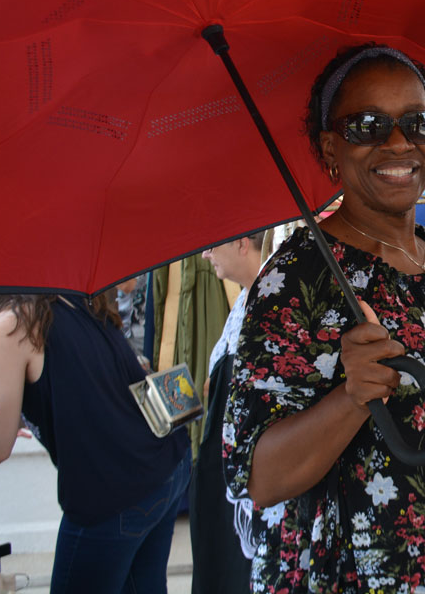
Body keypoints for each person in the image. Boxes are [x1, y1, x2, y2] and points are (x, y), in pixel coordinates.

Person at [223, 44, 425, 593]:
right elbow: (260, 477)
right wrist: (350, 397)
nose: (399, 142)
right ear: (330, 148)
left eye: (418, 123)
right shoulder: (297, 280)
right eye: (367, 125)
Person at [0, 293, 190, 594]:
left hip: (115, 489)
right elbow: (77, 389)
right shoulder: (64, 301)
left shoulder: (6, 330)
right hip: (167, 465)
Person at [190, 230, 266, 594]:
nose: (205, 254)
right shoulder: (245, 299)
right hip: (225, 470)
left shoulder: (270, 303)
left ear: (241, 243)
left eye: (212, 244)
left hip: (249, 479)